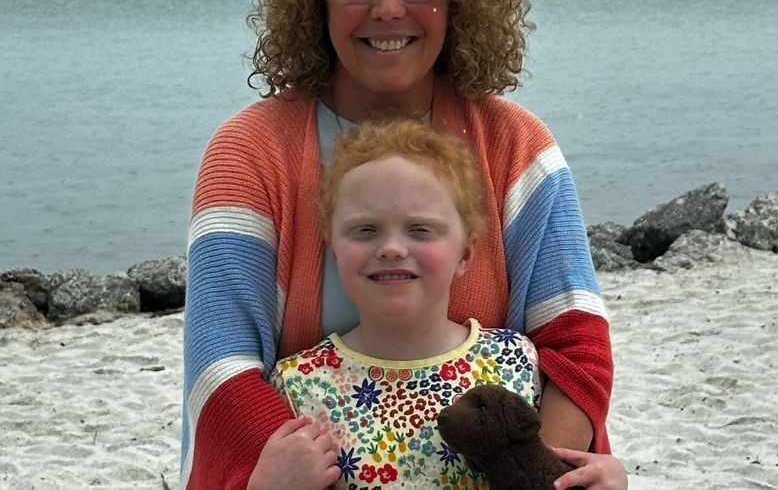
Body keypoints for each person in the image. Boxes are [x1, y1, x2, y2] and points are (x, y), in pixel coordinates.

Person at [181, 0, 616, 489]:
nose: (388, 8)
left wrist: (530, 476)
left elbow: (576, 342)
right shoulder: (248, 154)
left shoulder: (515, 144)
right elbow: (223, 365)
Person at [258, 118, 625, 490]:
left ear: (465, 253)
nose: (391, 248)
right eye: (365, 229)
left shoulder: (514, 360)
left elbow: (552, 474)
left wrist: (606, 478)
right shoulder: (300, 384)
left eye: (420, 229)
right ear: (334, 250)